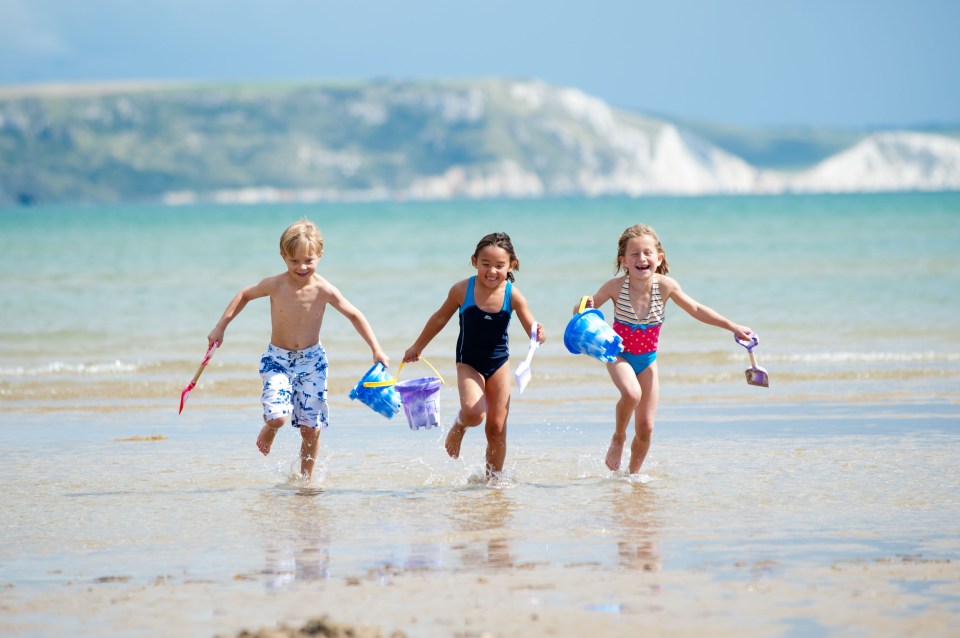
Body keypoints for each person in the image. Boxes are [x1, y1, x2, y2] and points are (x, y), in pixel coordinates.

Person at [207, 218, 389, 482]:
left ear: (320, 255)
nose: (302, 267)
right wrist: (220, 327)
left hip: (313, 361)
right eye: (294, 261)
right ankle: (270, 427)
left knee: (310, 428)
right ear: (283, 256)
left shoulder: (324, 289)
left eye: (309, 260)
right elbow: (244, 295)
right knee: (278, 417)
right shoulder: (275, 285)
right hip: (277, 360)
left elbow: (354, 315)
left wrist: (376, 349)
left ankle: (306, 481)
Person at [580, 223, 753, 475]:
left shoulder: (666, 286)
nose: (642, 259)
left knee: (646, 428)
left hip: (648, 361)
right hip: (618, 355)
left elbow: (696, 309)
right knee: (631, 394)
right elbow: (586, 309)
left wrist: (732, 326)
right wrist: (582, 308)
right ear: (624, 261)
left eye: (648, 253)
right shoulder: (615, 287)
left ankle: (632, 477)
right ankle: (618, 437)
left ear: (659, 257)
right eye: (635, 254)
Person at [403, 232, 545, 477]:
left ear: (512, 265)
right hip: (468, 362)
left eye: (499, 266)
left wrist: (539, 333)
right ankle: (459, 425)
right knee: (474, 413)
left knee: (497, 428)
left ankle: (494, 481)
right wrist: (417, 346)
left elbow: (532, 328)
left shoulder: (513, 295)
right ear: (474, 261)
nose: (492, 271)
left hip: (499, 363)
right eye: (485, 264)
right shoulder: (462, 290)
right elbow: (438, 319)